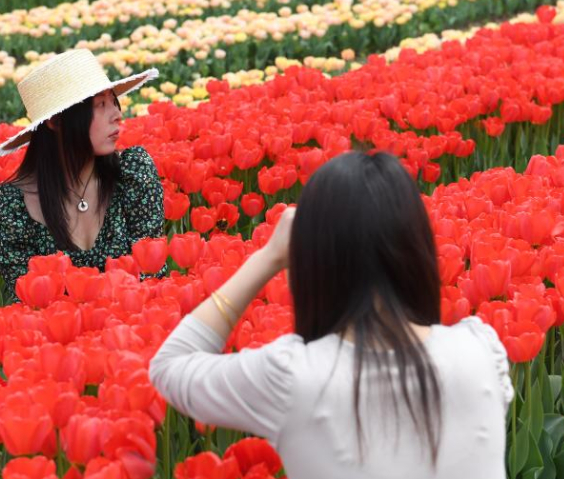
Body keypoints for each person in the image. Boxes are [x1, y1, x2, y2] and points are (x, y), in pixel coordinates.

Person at [149, 151, 513, 479]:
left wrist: (268, 256)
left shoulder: (293, 377)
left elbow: (169, 367)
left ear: (312, 261)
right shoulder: (481, 350)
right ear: (418, 249)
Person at [0, 49, 165, 300]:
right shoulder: (13, 208)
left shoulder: (132, 175)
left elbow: (153, 279)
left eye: (113, 101)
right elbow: (30, 303)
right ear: (56, 122)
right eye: (100, 105)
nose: (117, 114)